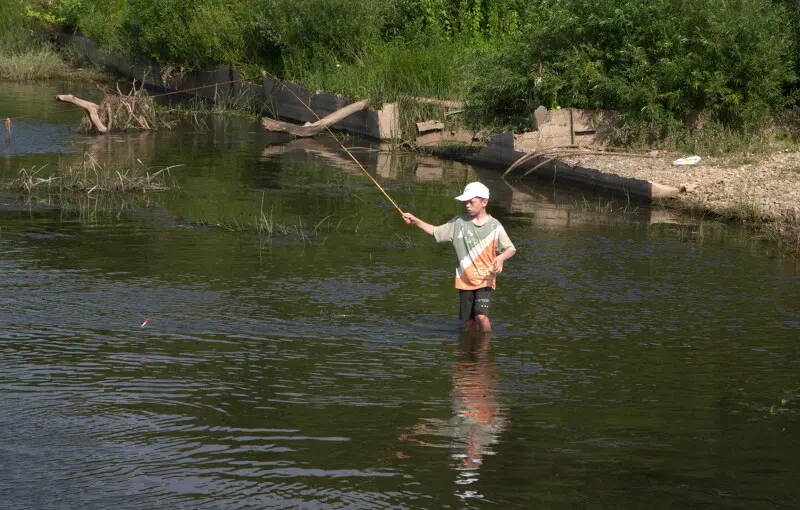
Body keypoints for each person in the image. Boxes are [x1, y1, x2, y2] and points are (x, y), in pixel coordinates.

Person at [403, 182, 516, 332]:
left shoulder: (494, 226)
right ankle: (469, 348)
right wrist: (416, 221)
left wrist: (501, 258)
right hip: (464, 280)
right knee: (469, 322)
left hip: (485, 278)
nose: (467, 205)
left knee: (481, 316)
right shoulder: (458, 222)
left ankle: (485, 348)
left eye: (471, 202)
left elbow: (510, 248)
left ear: (484, 202)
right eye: (465, 202)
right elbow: (435, 231)